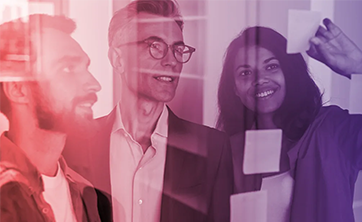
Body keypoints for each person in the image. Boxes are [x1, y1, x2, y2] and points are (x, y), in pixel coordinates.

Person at [63, 0, 234, 222]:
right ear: (118, 59)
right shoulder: (74, 145)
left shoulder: (213, 148)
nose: (172, 61)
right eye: (155, 46)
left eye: (178, 49)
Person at [217, 18, 362, 222]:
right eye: (246, 72)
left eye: (271, 67)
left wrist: (358, 67)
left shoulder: (331, 129)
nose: (260, 79)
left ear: (289, 73)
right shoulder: (227, 151)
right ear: (235, 89)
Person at [0, 14, 103, 222]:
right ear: (19, 89)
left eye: (86, 68)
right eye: (67, 69)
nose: (94, 84)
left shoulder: (89, 196)